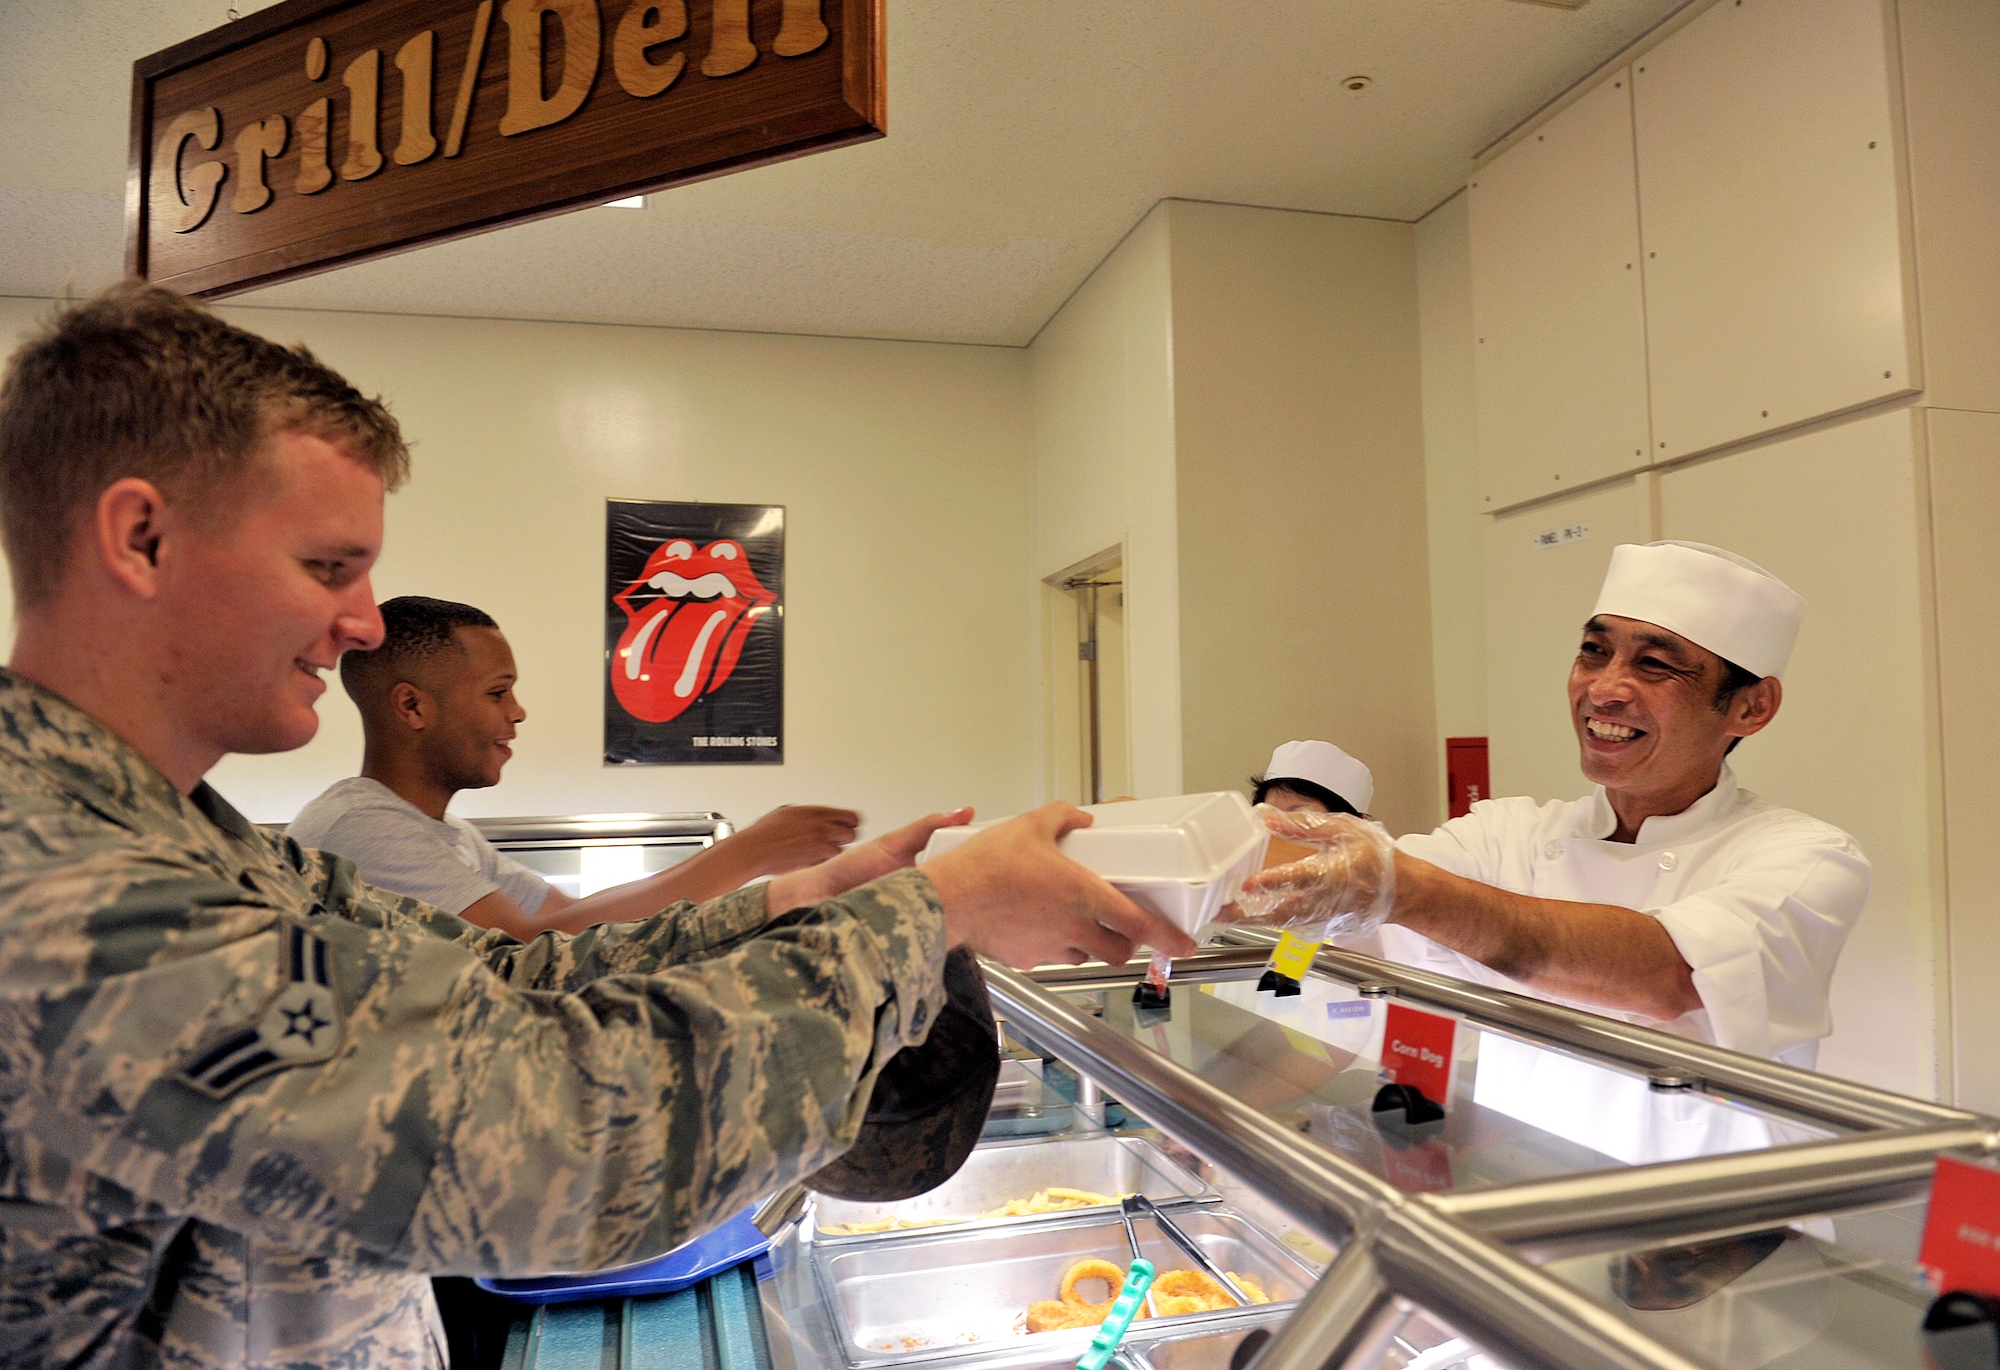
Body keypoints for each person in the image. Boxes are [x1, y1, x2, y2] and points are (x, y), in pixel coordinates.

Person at [0, 285, 1197, 1367]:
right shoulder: (61, 892)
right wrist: (936, 912)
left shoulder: (199, 843)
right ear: (140, 537)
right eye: (327, 566)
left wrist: (797, 904)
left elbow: (511, 971)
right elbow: (556, 1140)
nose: (362, 625)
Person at [1232, 540, 1869, 1069]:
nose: (1604, 688)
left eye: (1654, 666)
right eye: (1595, 651)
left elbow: (1666, 974)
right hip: (1529, 1195)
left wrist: (1403, 888)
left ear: (1750, 708)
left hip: (1717, 1215)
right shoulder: (1509, 833)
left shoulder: (1806, 859)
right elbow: (1337, 887)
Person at [289, 594, 864, 942]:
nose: (517, 712)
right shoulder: (358, 828)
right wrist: (750, 853)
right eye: (497, 692)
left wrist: (775, 886)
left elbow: (584, 921)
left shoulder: (453, 837)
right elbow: (529, 946)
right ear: (412, 706)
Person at [1248, 740, 1375, 996]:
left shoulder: (1378, 913)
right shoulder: (1248, 898)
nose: (1280, 829)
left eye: (1299, 816)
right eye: (1269, 816)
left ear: (1354, 826)